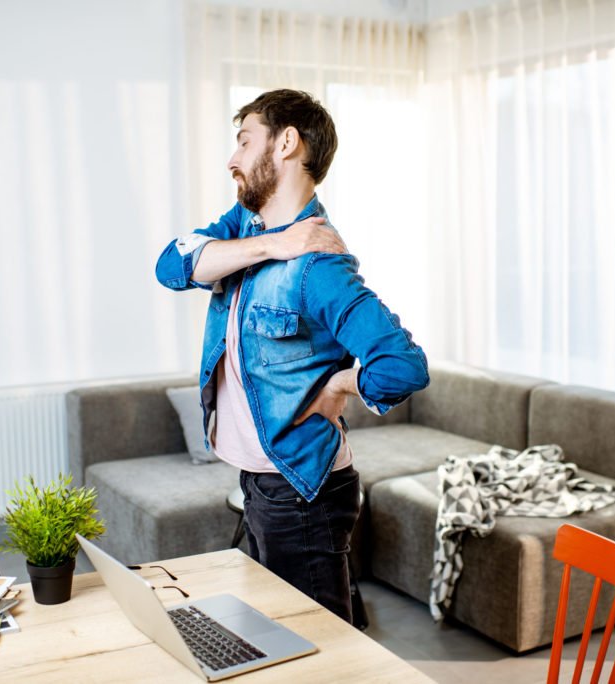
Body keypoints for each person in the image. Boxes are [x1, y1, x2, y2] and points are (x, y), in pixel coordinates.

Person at [155, 89, 429, 624]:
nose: (232, 159)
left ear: (285, 143)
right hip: (264, 481)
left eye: (243, 140)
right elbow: (171, 265)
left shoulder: (318, 265)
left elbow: (403, 365)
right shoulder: (243, 228)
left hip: (302, 490)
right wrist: (271, 245)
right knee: (284, 636)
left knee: (319, 649)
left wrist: (338, 386)